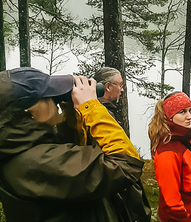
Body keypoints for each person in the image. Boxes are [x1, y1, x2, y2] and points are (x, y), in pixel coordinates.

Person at [0, 67, 151, 222]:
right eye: (49, 97)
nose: (56, 102)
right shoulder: (39, 162)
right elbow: (126, 164)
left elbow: (77, 158)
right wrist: (90, 107)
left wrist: (71, 119)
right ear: (29, 111)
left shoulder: (20, 148)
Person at [148, 91, 191, 222]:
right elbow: (172, 203)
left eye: (190, 110)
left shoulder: (183, 136)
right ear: (169, 117)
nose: (189, 116)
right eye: (182, 112)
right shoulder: (168, 152)